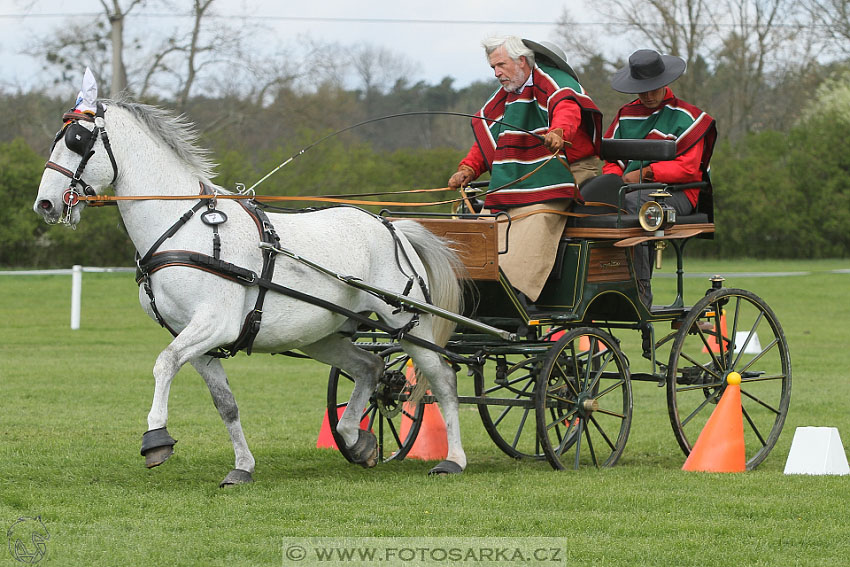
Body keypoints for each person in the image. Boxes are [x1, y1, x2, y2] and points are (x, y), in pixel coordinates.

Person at [448, 36, 603, 303]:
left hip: (570, 171)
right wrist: (469, 168)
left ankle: (516, 294)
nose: (497, 73)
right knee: (487, 220)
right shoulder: (506, 97)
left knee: (537, 217)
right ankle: (474, 291)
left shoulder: (558, 85)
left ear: (522, 61)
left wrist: (558, 132)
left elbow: (567, 111)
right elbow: (492, 138)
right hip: (521, 176)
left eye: (500, 65)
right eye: (492, 67)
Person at [602, 48, 717, 308]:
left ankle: (639, 290)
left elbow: (688, 169)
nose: (648, 95)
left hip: (679, 193)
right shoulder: (625, 115)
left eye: (653, 88)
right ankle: (605, 284)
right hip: (630, 191)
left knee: (635, 207)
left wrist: (644, 174)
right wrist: (611, 185)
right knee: (597, 206)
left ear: (665, 83)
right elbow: (611, 161)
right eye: (642, 89)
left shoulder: (688, 117)